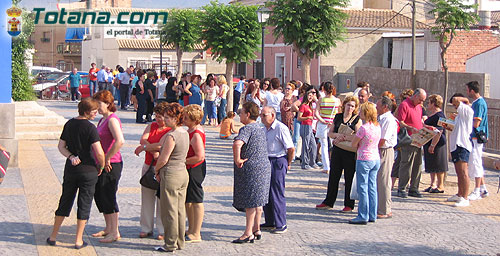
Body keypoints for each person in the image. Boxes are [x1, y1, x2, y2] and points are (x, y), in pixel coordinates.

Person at [47, 98, 105, 249]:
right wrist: (102, 165)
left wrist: (71, 156)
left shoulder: (69, 124)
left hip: (72, 169)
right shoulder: (90, 128)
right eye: (94, 111)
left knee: (65, 200)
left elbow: (61, 146)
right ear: (87, 112)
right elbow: (99, 152)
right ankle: (78, 240)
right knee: (84, 204)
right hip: (89, 170)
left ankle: (53, 235)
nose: (96, 114)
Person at [232, 102, 271, 243]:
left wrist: (238, 159)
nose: (240, 115)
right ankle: (257, 228)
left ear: (248, 114)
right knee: (258, 200)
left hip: (252, 168)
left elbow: (237, 143)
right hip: (264, 166)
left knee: (250, 201)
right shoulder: (260, 128)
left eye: (241, 113)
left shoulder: (246, 129)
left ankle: (247, 232)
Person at [154, 103, 190, 252]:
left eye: (168, 117)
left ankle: (170, 244)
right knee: (180, 210)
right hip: (182, 172)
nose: (165, 120)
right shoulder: (185, 133)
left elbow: (163, 159)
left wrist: (156, 170)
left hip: (171, 174)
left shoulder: (171, 136)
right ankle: (180, 241)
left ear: (176, 119)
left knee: (169, 211)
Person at [316, 96, 361, 212]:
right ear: (344, 105)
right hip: (337, 149)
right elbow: (331, 133)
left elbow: (358, 136)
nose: (350, 108)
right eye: (348, 105)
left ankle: (349, 204)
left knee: (349, 177)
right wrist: (338, 136)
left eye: (352, 106)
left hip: (349, 152)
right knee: (333, 176)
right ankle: (328, 201)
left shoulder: (357, 119)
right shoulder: (338, 116)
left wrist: (343, 137)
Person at [91, 90, 125, 243]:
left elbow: (120, 141)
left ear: (107, 103)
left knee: (109, 195)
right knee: (101, 195)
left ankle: (114, 231)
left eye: (99, 104)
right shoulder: (102, 120)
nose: (97, 107)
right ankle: (108, 228)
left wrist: (107, 157)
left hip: (112, 164)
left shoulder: (112, 120)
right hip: (102, 163)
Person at [134, 102, 171, 240]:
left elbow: (163, 146)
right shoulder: (151, 126)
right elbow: (143, 139)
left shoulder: (169, 130)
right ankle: (146, 227)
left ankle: (162, 229)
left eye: (160, 116)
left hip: (163, 167)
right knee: (146, 197)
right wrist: (149, 147)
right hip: (148, 165)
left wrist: (146, 147)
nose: (158, 119)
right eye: (156, 116)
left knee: (162, 200)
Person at [260, 106, 295, 234]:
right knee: (266, 192)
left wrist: (288, 163)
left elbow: (290, 148)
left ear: (273, 115)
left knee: (277, 192)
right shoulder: (263, 129)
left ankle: (281, 223)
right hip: (266, 160)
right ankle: (270, 221)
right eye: (261, 115)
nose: (262, 118)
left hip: (278, 160)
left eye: (265, 115)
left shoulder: (281, 128)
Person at [349, 102, 381, 225]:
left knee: (363, 187)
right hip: (375, 158)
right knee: (372, 187)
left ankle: (363, 215)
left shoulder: (364, 128)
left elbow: (354, 143)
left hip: (364, 158)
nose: (359, 113)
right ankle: (372, 214)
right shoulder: (377, 126)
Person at [396, 88, 426, 198]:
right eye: (421, 99)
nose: (421, 102)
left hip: (418, 139)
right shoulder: (404, 105)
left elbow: (420, 121)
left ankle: (414, 187)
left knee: (418, 164)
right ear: (415, 96)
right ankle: (402, 187)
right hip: (408, 138)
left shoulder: (419, 107)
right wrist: (410, 127)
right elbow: (400, 122)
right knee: (406, 163)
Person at [183, 104, 206, 243]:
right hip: (190, 167)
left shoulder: (196, 134)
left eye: (186, 118)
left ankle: (196, 232)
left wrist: (183, 161)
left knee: (196, 200)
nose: (184, 120)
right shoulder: (191, 130)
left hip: (195, 168)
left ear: (194, 119)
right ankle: (191, 228)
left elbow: (200, 156)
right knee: (189, 200)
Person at [445, 93, 474, 207]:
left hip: (462, 144)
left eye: (455, 104)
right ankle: (460, 193)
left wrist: (465, 100)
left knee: (463, 172)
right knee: (458, 172)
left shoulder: (466, 110)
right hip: (455, 144)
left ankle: (465, 197)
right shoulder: (458, 115)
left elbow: (457, 99)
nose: (454, 106)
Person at [466, 81, 489, 200]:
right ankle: (483, 188)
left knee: (476, 163)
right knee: (477, 162)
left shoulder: (479, 103)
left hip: (476, 137)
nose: (467, 92)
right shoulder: (477, 103)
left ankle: (477, 189)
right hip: (475, 137)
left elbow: (476, 122)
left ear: (472, 91)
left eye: (468, 90)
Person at [375, 96, 398, 219]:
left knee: (383, 180)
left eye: (378, 105)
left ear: (385, 107)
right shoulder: (382, 118)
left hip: (384, 150)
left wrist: (373, 148)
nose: (376, 107)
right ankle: (383, 207)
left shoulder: (388, 120)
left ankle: (383, 209)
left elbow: (383, 139)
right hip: (381, 149)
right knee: (381, 179)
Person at [423, 94, 448, 194]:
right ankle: (432, 184)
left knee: (438, 164)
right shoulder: (432, 115)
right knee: (431, 164)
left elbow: (439, 131)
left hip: (437, 144)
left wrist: (433, 145)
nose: (428, 105)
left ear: (433, 104)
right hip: (429, 142)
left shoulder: (440, 115)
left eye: (429, 103)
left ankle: (440, 185)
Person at [314, 82, 341, 174]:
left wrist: (322, 120)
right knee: (335, 145)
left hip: (323, 124)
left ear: (324, 89)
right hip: (333, 124)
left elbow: (316, 113)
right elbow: (339, 113)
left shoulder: (321, 100)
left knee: (324, 146)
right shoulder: (337, 100)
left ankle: (326, 167)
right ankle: (335, 165)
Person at [298, 89, 318, 170]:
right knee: (305, 145)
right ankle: (304, 163)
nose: (311, 97)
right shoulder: (303, 106)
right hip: (305, 125)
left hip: (310, 126)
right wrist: (308, 117)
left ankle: (312, 162)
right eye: (309, 95)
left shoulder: (310, 106)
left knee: (313, 145)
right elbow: (299, 118)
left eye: (312, 96)